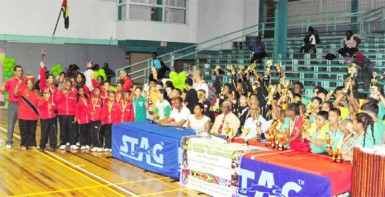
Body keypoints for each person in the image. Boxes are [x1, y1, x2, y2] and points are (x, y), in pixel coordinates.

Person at [0, 65, 26, 149]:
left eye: (21, 70)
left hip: (22, 105)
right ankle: (9, 142)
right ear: (14, 72)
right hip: (13, 105)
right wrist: (2, 88)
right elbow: (2, 89)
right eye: (18, 70)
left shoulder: (24, 81)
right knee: (11, 123)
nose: (20, 72)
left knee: (23, 124)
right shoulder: (10, 81)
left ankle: (24, 142)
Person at [14, 78, 39, 150]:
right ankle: (24, 144)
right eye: (28, 83)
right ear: (26, 84)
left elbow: (38, 103)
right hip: (23, 116)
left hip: (33, 116)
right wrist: (18, 84)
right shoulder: (22, 91)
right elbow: (15, 93)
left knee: (32, 131)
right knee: (24, 131)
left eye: (31, 83)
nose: (30, 85)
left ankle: (32, 144)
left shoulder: (35, 92)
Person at [55, 80, 78, 150]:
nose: (68, 87)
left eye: (69, 85)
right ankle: (63, 143)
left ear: (71, 86)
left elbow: (75, 105)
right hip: (62, 114)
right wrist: (62, 94)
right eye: (66, 85)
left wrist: (76, 115)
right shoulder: (60, 92)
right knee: (63, 129)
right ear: (64, 85)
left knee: (71, 129)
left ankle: (72, 143)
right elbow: (56, 100)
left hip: (71, 114)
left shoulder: (73, 94)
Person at [88, 87, 104, 152]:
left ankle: (99, 146)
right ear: (93, 92)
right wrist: (90, 113)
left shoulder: (101, 101)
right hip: (91, 119)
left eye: (98, 91)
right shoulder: (90, 100)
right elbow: (88, 109)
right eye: (95, 91)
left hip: (98, 120)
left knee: (96, 133)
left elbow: (104, 111)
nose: (96, 92)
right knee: (92, 133)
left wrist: (102, 119)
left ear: (100, 92)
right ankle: (95, 145)